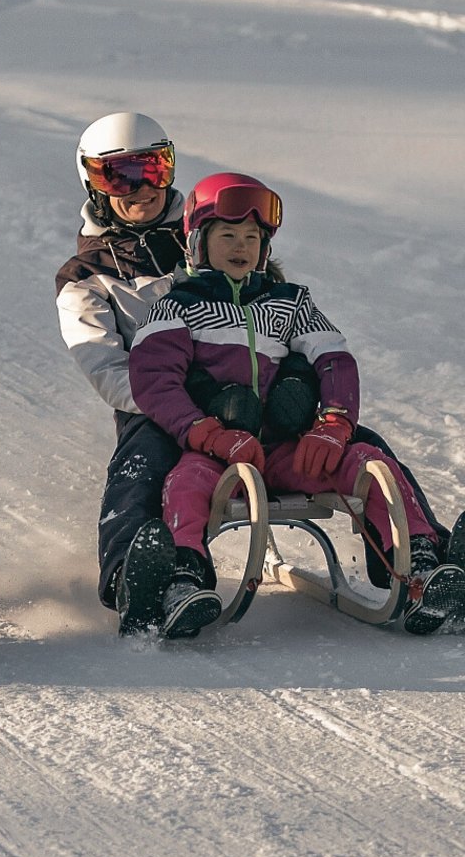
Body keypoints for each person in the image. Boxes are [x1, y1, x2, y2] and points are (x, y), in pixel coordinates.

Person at [55, 111, 449, 637]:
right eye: (119, 175)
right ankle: (139, 577)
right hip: (162, 410)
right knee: (144, 465)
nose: (142, 187)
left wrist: (299, 388)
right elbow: (107, 369)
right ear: (93, 183)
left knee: (364, 444)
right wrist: (195, 407)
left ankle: (426, 559)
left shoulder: (215, 223)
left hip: (263, 409)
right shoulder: (86, 277)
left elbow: (277, 325)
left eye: (153, 168)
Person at [127, 172, 465, 639]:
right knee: (184, 483)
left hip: (287, 451)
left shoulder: (289, 303)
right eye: (228, 236)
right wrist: (205, 432)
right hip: (215, 453)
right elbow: (154, 380)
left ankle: (421, 565)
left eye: (252, 237)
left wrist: (334, 423)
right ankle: (184, 577)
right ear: (198, 243)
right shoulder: (176, 307)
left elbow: (334, 359)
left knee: (368, 462)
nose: (241, 246)